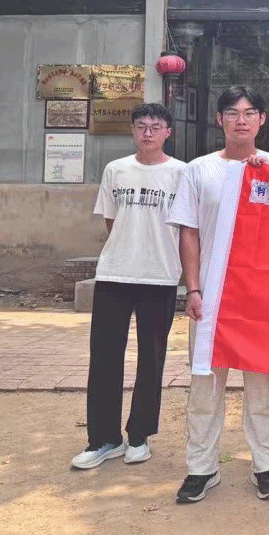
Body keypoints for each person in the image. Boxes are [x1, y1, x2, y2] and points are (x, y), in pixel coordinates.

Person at [167, 86, 269, 504]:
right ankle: (201, 468)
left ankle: (266, 466)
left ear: (262, 120)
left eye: (250, 112)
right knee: (205, 385)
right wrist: (193, 288)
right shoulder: (198, 169)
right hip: (212, 295)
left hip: (262, 298)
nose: (242, 120)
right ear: (219, 119)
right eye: (233, 113)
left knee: (265, 387)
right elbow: (189, 232)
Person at [71, 103, 185, 471]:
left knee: (152, 359)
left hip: (159, 276)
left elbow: (187, 228)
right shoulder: (115, 170)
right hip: (115, 274)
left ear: (168, 132)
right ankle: (104, 439)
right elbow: (112, 221)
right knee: (104, 358)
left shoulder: (181, 173)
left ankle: (139, 436)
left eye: (156, 126)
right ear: (132, 131)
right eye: (141, 126)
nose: (148, 133)